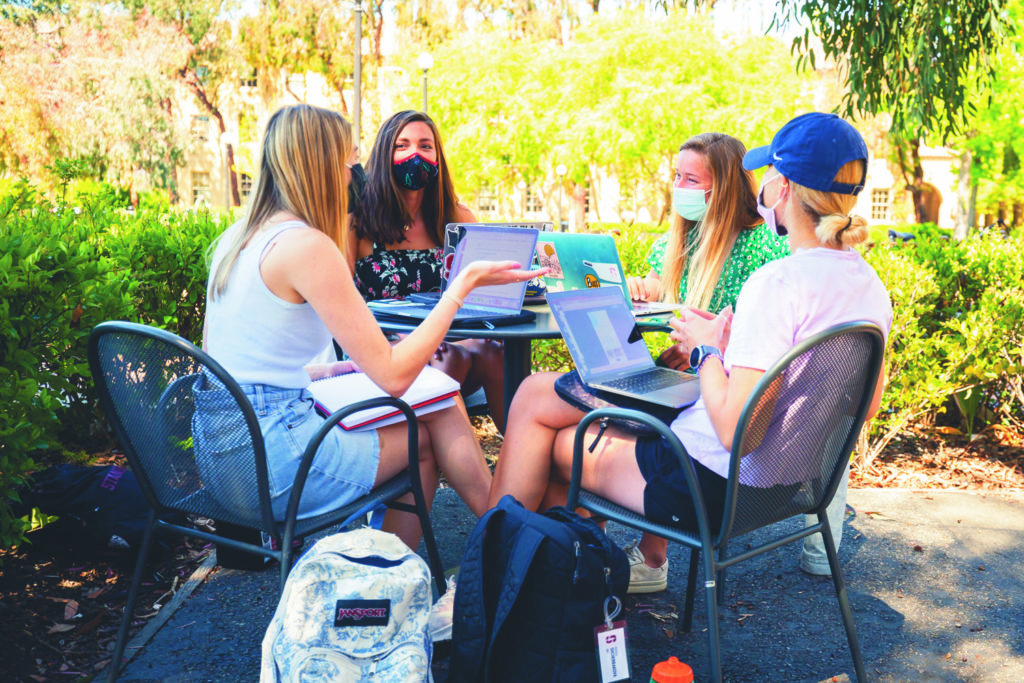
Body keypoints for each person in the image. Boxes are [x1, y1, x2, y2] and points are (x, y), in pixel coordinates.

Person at [488, 113, 891, 595]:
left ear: (782, 188)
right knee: (558, 433)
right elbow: (865, 407)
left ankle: (488, 577)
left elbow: (733, 432)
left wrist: (708, 352)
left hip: (704, 485)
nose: (760, 186)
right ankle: (557, 582)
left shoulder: (777, 283)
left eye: (766, 176)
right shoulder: (869, 285)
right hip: (785, 489)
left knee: (554, 445)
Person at [200, 104, 542, 553]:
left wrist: (331, 373)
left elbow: (235, 363)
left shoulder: (238, 236)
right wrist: (460, 287)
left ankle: (414, 571)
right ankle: (511, 543)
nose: (355, 173)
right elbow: (396, 374)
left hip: (221, 456)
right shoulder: (308, 246)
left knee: (429, 406)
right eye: (348, 160)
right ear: (321, 165)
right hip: (275, 462)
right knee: (432, 410)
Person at [351, 110, 509, 432]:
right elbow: (343, 298)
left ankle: (519, 463)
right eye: (402, 146)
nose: (415, 155)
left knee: (494, 352)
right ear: (384, 154)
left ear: (437, 157)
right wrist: (410, 341)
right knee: (447, 359)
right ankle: (427, 460)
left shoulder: (458, 218)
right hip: (388, 349)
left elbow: (482, 297)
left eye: (426, 146)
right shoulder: (359, 221)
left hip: (453, 339)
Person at [626, 133, 789, 369]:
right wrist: (641, 289)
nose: (678, 187)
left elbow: (779, 331)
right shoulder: (682, 237)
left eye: (691, 180)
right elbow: (660, 284)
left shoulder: (767, 242)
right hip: (687, 372)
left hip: (735, 378)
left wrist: (708, 352)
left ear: (725, 189)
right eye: (677, 176)